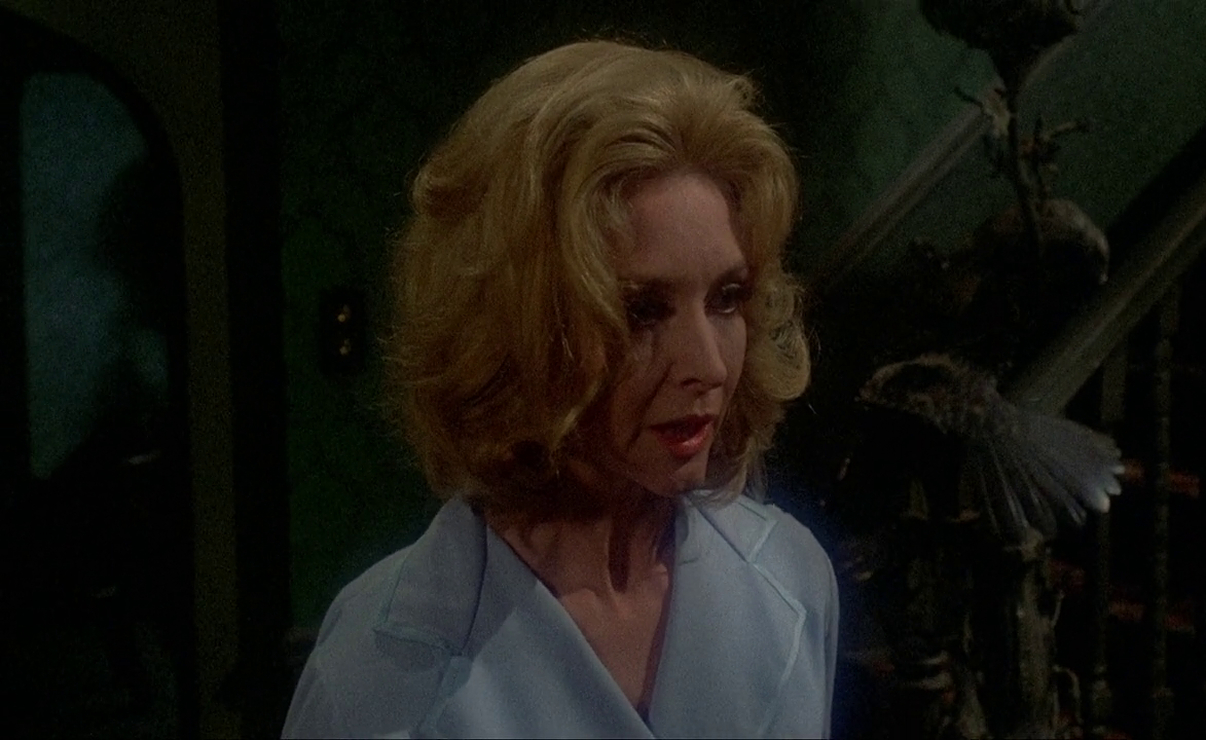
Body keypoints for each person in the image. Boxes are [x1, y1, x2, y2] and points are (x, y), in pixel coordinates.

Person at [282, 39, 838, 739]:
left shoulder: (791, 578)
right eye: (643, 310)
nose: (708, 365)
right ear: (521, 327)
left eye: (726, 299)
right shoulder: (378, 671)